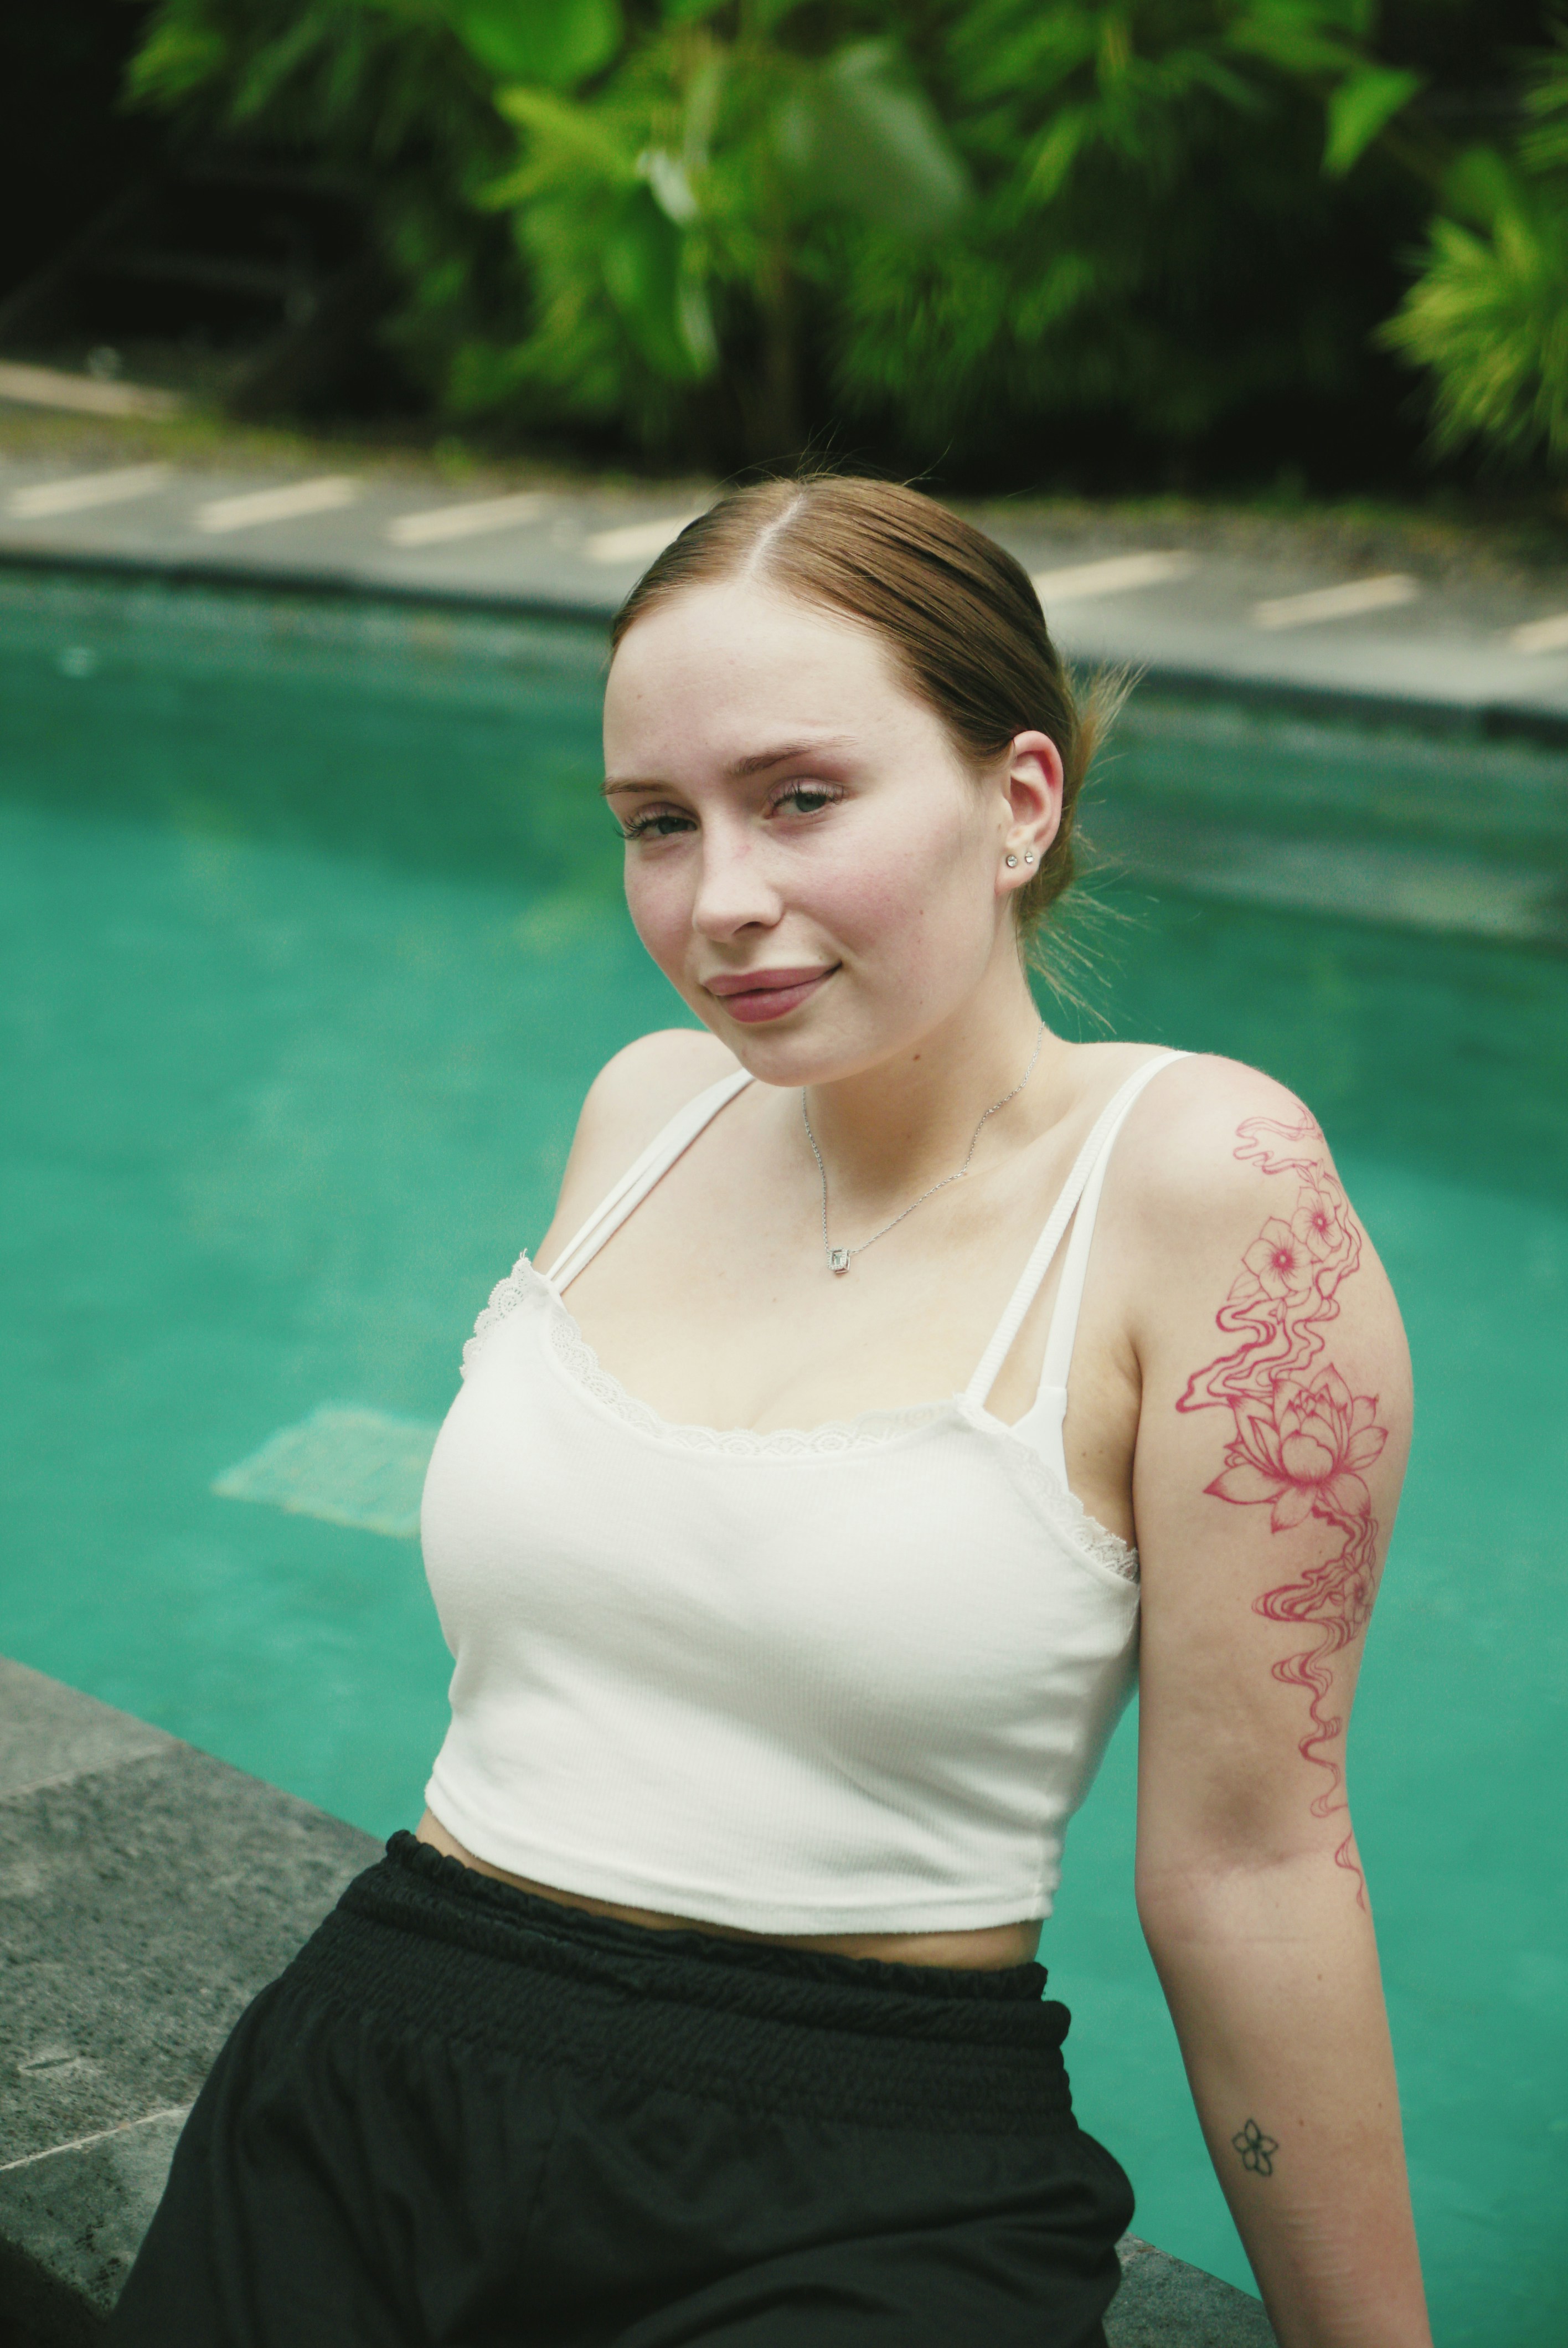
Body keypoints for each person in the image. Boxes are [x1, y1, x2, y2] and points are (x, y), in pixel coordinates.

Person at [111, 477, 1431, 2347]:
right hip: (374, 2078)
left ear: (1021, 801)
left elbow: (1256, 1864)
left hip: (858, 2172)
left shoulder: (1204, 1184)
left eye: (800, 797)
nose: (719, 900)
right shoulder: (645, 1114)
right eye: (659, 822)